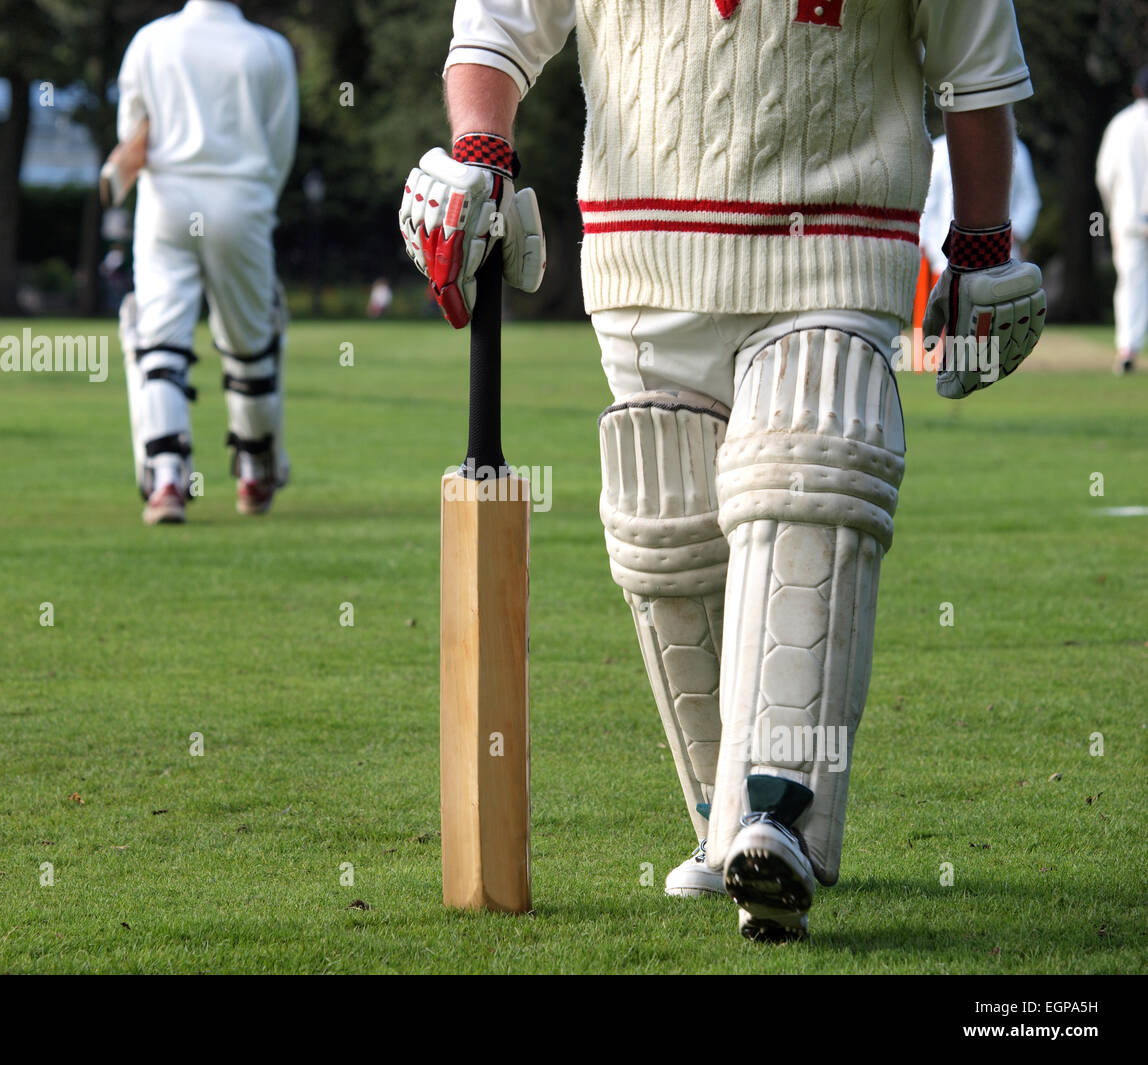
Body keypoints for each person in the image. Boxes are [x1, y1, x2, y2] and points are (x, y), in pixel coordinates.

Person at [401, 0, 1045, 941]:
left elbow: (974, 68)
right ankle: (724, 822)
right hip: (641, 259)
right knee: (667, 538)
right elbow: (496, 31)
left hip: (833, 241)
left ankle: (778, 813)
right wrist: (480, 149)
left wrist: (982, 240)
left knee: (810, 471)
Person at [114, 0, 298, 524]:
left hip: (165, 202)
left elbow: (132, 138)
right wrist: (257, 199)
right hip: (241, 200)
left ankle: (167, 478)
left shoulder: (150, 41)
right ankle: (254, 470)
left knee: (159, 342)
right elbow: (279, 144)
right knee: (250, 345)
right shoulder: (269, 48)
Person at [916, 131, 1041, 351]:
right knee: (951, 306)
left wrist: (1017, 231)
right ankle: (948, 356)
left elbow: (1029, 197)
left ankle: (990, 354)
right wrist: (924, 239)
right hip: (946, 248)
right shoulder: (940, 149)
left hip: (999, 246)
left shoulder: (1016, 149)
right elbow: (927, 201)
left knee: (992, 308)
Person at [1096, 67, 1148, 375]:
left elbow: (1104, 175)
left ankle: (1128, 348)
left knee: (1131, 283)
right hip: (1129, 216)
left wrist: (1111, 210)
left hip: (1128, 218)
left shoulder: (1121, 124)